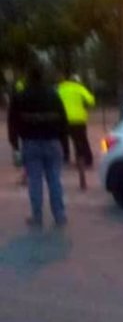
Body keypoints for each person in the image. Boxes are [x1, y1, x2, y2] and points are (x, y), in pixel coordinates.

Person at [8, 65, 68, 228]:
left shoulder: (20, 96)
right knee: (55, 179)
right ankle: (60, 215)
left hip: (30, 142)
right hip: (52, 141)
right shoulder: (53, 95)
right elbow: (63, 119)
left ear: (28, 77)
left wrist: (14, 144)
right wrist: (63, 142)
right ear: (43, 77)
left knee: (34, 181)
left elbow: (12, 122)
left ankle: (37, 216)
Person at [58, 70, 95, 168]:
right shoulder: (79, 88)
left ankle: (65, 158)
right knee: (81, 140)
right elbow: (91, 101)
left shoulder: (60, 89)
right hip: (78, 119)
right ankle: (86, 160)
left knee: (63, 139)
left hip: (63, 119)